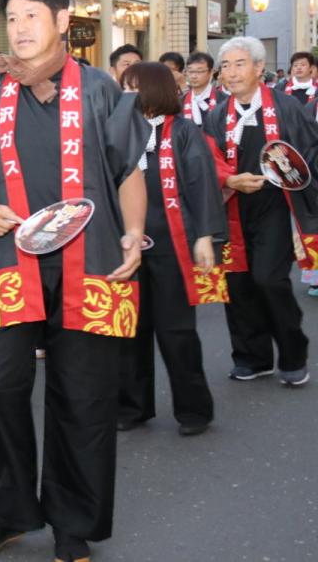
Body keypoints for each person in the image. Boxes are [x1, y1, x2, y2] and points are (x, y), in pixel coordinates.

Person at [0, 0, 147, 562]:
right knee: (0, 387)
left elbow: (128, 169)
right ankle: (8, 511)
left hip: (94, 260)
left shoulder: (101, 90)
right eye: (12, 18)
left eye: (32, 16)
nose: (20, 28)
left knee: (83, 396)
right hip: (13, 259)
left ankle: (72, 522)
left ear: (63, 22)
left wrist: (135, 233)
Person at [117, 63, 226, 437]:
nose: (127, 94)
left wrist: (204, 236)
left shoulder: (182, 130)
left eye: (133, 87)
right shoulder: (118, 131)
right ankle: (133, 406)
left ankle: (194, 410)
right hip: (129, 245)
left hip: (171, 244)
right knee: (130, 330)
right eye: (124, 87)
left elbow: (201, 182)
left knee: (176, 331)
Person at [202, 36, 313, 388]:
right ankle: (252, 356)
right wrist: (230, 178)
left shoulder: (286, 108)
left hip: (276, 206)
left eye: (239, 64)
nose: (231, 73)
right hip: (232, 206)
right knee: (238, 283)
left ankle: (293, 353)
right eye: (226, 66)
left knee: (269, 278)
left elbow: (308, 152)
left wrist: (287, 174)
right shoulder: (218, 114)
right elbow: (207, 159)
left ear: (259, 68)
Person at [183, 51, 218, 126]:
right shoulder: (180, 102)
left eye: (199, 71)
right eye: (190, 71)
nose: (194, 76)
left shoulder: (223, 100)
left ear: (211, 72)